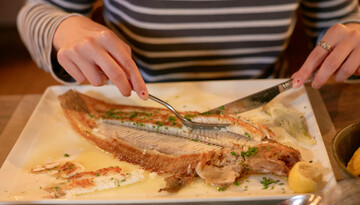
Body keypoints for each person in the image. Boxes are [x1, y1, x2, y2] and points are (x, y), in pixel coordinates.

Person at [17, 0, 360, 100]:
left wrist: (353, 38)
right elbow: (37, 10)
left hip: (267, 104)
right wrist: (63, 28)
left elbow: (342, 20)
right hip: (135, 104)